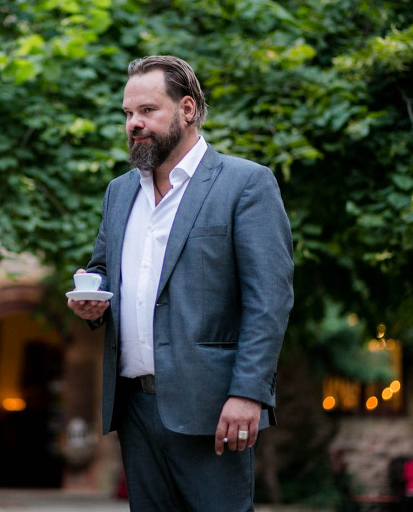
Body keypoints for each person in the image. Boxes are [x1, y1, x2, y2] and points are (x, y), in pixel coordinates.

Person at [67, 55, 294, 511]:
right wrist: (94, 294)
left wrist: (248, 393)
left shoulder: (246, 184)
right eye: (128, 113)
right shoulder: (120, 192)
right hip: (134, 408)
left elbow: (269, 300)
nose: (133, 123)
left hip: (214, 409)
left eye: (147, 110)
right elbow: (103, 269)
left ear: (187, 109)